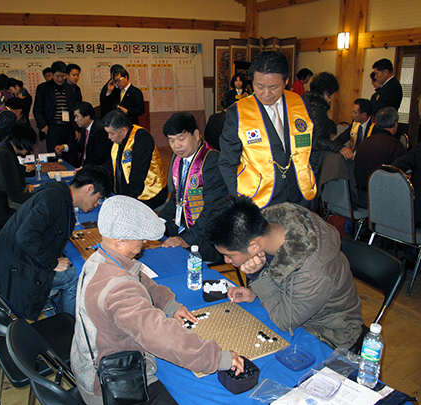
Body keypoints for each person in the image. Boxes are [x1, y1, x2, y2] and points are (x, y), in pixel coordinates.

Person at [71, 195, 244, 404]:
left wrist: (169, 304)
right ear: (120, 242)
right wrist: (217, 358)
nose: (144, 242)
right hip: (109, 387)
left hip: (91, 364)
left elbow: (138, 278)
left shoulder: (101, 259)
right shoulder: (118, 288)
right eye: (140, 238)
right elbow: (160, 336)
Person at [205, 196, 363, 349]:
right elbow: (282, 281)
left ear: (254, 246)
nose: (226, 261)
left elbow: (284, 322)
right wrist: (255, 291)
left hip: (326, 335)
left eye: (229, 255)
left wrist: (259, 277)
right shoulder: (275, 228)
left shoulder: (313, 273)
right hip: (295, 310)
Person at [0, 165, 112, 321]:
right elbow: (26, 235)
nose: (96, 204)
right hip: (11, 273)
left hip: (12, 262)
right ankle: (67, 328)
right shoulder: (54, 199)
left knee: (68, 269)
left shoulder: (58, 194)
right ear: (89, 189)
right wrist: (52, 262)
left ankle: (55, 317)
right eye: (98, 198)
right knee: (75, 277)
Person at [219, 50, 319, 210]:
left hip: (301, 196)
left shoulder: (300, 104)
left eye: (273, 87)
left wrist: (312, 176)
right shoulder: (238, 112)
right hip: (258, 200)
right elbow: (227, 161)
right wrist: (239, 196)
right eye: (259, 86)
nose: (266, 94)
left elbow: (313, 148)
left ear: (286, 81)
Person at [159, 112, 228, 263]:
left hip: (204, 238)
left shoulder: (212, 161)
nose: (177, 146)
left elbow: (213, 209)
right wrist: (158, 222)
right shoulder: (178, 159)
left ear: (196, 135)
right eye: (171, 141)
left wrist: (186, 240)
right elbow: (177, 198)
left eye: (181, 139)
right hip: (181, 226)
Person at [102, 110, 168, 209]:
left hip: (149, 194)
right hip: (129, 192)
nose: (109, 137)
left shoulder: (141, 137)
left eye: (111, 133)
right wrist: (89, 171)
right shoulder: (120, 140)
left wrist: (125, 203)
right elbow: (112, 164)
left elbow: (138, 175)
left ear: (123, 130)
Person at [354, 107, 406, 208]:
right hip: (380, 200)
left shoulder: (365, 141)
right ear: (395, 124)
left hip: (358, 196)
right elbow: (398, 177)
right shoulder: (395, 145)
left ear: (376, 124)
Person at [33, 61, 78, 161]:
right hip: (52, 127)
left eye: (63, 76)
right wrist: (42, 125)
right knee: (53, 156)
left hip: (68, 127)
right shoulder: (43, 88)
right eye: (57, 76)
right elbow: (37, 109)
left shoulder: (69, 88)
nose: (60, 79)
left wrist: (75, 128)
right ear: (52, 74)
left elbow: (73, 109)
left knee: (70, 156)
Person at [303, 72, 348, 158]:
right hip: (312, 157)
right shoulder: (317, 110)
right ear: (327, 93)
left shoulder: (306, 103)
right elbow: (318, 140)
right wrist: (339, 147)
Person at [54, 101, 112, 168]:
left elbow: (98, 157)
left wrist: (83, 169)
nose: (75, 120)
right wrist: (64, 147)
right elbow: (80, 147)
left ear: (87, 116)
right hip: (83, 165)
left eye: (77, 117)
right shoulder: (84, 128)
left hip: (94, 169)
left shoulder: (99, 130)